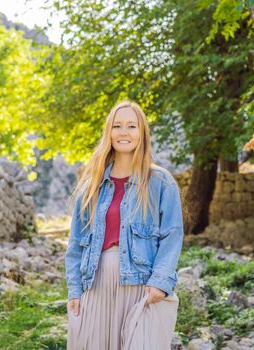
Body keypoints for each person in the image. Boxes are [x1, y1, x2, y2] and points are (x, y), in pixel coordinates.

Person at [65, 100, 184, 350]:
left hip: (142, 287)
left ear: (142, 133)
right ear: (109, 132)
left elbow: (172, 236)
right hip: (96, 286)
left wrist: (160, 283)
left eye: (132, 126)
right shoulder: (91, 187)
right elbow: (75, 244)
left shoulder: (160, 182)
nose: (124, 132)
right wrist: (75, 290)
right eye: (117, 126)